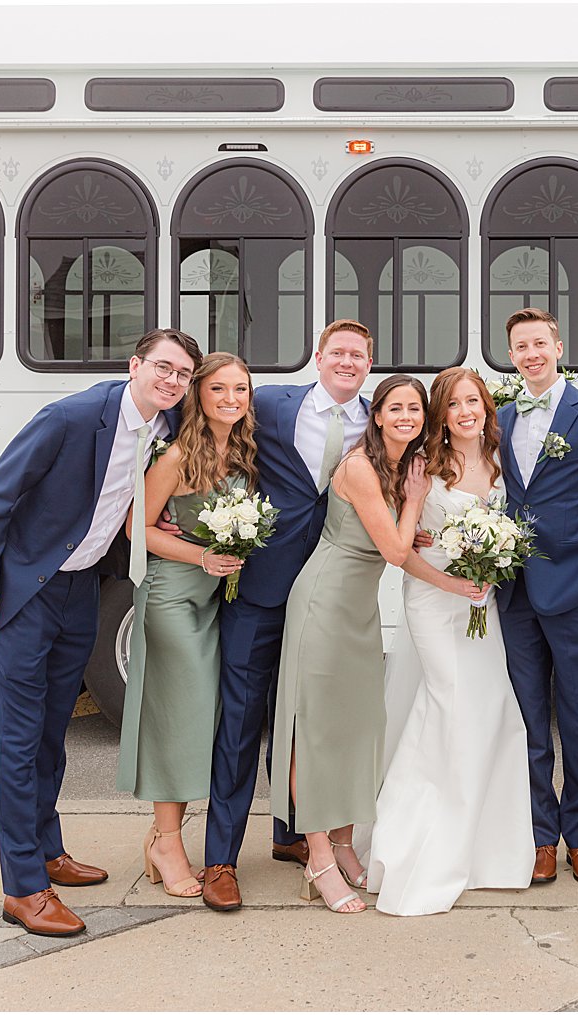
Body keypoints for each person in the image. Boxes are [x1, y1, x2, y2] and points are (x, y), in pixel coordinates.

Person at [0, 328, 201, 936]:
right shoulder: (70, 417)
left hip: (80, 594)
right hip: (27, 591)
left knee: (51, 734)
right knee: (17, 741)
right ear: (136, 365)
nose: (171, 381)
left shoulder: (163, 428)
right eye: (163, 368)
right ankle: (24, 888)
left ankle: (47, 850)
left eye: (181, 374)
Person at [195, 320, 373, 912]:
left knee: (307, 720)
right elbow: (208, 432)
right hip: (265, 584)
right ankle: (220, 857)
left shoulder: (379, 419)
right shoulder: (268, 403)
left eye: (359, 355)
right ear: (318, 356)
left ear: (368, 364)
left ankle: (293, 834)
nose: (347, 362)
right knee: (242, 720)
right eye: (338, 352)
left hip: (331, 592)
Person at [365, 366, 535, 915]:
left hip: (480, 603)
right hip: (434, 601)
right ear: (441, 413)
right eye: (455, 404)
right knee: (450, 709)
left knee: (495, 713)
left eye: (474, 401)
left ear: (486, 405)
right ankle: (416, 846)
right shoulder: (424, 466)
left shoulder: (498, 456)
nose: (467, 411)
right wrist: (453, 583)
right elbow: (402, 549)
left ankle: (490, 851)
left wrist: (486, 574)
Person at [269, 374, 429, 914]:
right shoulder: (362, 466)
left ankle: (342, 841)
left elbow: (392, 535)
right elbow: (394, 551)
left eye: (415, 407)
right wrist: (414, 503)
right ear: (377, 416)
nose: (406, 415)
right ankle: (317, 857)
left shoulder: (395, 464)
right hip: (325, 602)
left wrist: (410, 518)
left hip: (358, 607)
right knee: (314, 730)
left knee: (357, 726)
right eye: (395, 407)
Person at [115, 352, 257, 899]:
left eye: (240, 390)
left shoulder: (244, 454)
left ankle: (161, 835)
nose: (230, 399)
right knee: (176, 719)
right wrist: (200, 559)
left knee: (202, 720)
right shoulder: (178, 456)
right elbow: (137, 528)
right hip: (173, 598)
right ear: (199, 395)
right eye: (218, 389)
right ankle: (168, 842)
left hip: (215, 600)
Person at [494, 307, 578, 887]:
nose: (530, 354)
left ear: (558, 345)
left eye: (539, 343)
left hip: (574, 585)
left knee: (577, 717)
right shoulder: (497, 416)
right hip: (512, 587)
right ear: (512, 354)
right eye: (520, 346)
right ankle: (540, 836)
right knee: (526, 719)